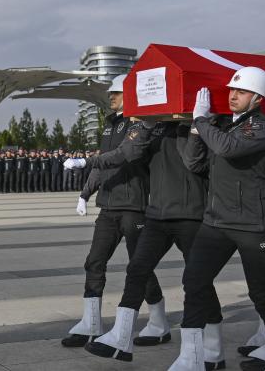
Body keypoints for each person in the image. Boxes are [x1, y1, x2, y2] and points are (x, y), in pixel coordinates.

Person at [167, 66, 265, 371]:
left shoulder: (263, 129)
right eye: (232, 90)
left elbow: (227, 148)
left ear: (258, 98)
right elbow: (193, 163)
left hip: (255, 225)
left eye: (242, 91)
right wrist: (196, 129)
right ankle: (195, 356)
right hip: (217, 222)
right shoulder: (223, 127)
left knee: (263, 295)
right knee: (194, 281)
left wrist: (201, 120)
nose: (233, 95)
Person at [80, 115, 221, 368]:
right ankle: (121, 337)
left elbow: (193, 160)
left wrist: (192, 124)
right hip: (157, 214)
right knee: (137, 269)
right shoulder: (155, 127)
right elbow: (128, 153)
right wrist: (146, 126)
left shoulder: (201, 125)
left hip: (191, 214)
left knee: (198, 282)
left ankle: (213, 348)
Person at [59, 74, 153, 349]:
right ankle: (91, 323)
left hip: (133, 205)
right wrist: (85, 193)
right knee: (94, 262)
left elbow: (125, 155)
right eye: (111, 93)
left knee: (139, 266)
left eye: (116, 93)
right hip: (109, 205)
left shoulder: (141, 123)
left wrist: (85, 161)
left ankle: (158, 319)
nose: (111, 97)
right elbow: (103, 164)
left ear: (130, 94)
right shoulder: (110, 125)